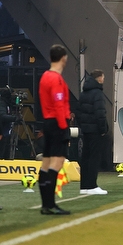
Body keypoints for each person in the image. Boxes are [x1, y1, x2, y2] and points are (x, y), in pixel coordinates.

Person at [38, 44, 73, 215]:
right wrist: (64, 126)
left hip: (47, 122)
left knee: (45, 163)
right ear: (63, 58)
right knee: (56, 163)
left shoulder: (45, 76)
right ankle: (50, 204)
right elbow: (59, 104)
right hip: (57, 123)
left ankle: (45, 205)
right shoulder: (56, 79)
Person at [76, 69, 109, 195]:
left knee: (85, 157)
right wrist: (103, 129)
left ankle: (84, 186)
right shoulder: (98, 93)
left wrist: (83, 126)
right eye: (103, 78)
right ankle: (92, 185)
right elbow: (100, 113)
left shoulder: (84, 93)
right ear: (99, 78)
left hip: (86, 131)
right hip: (95, 130)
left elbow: (78, 112)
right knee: (94, 157)